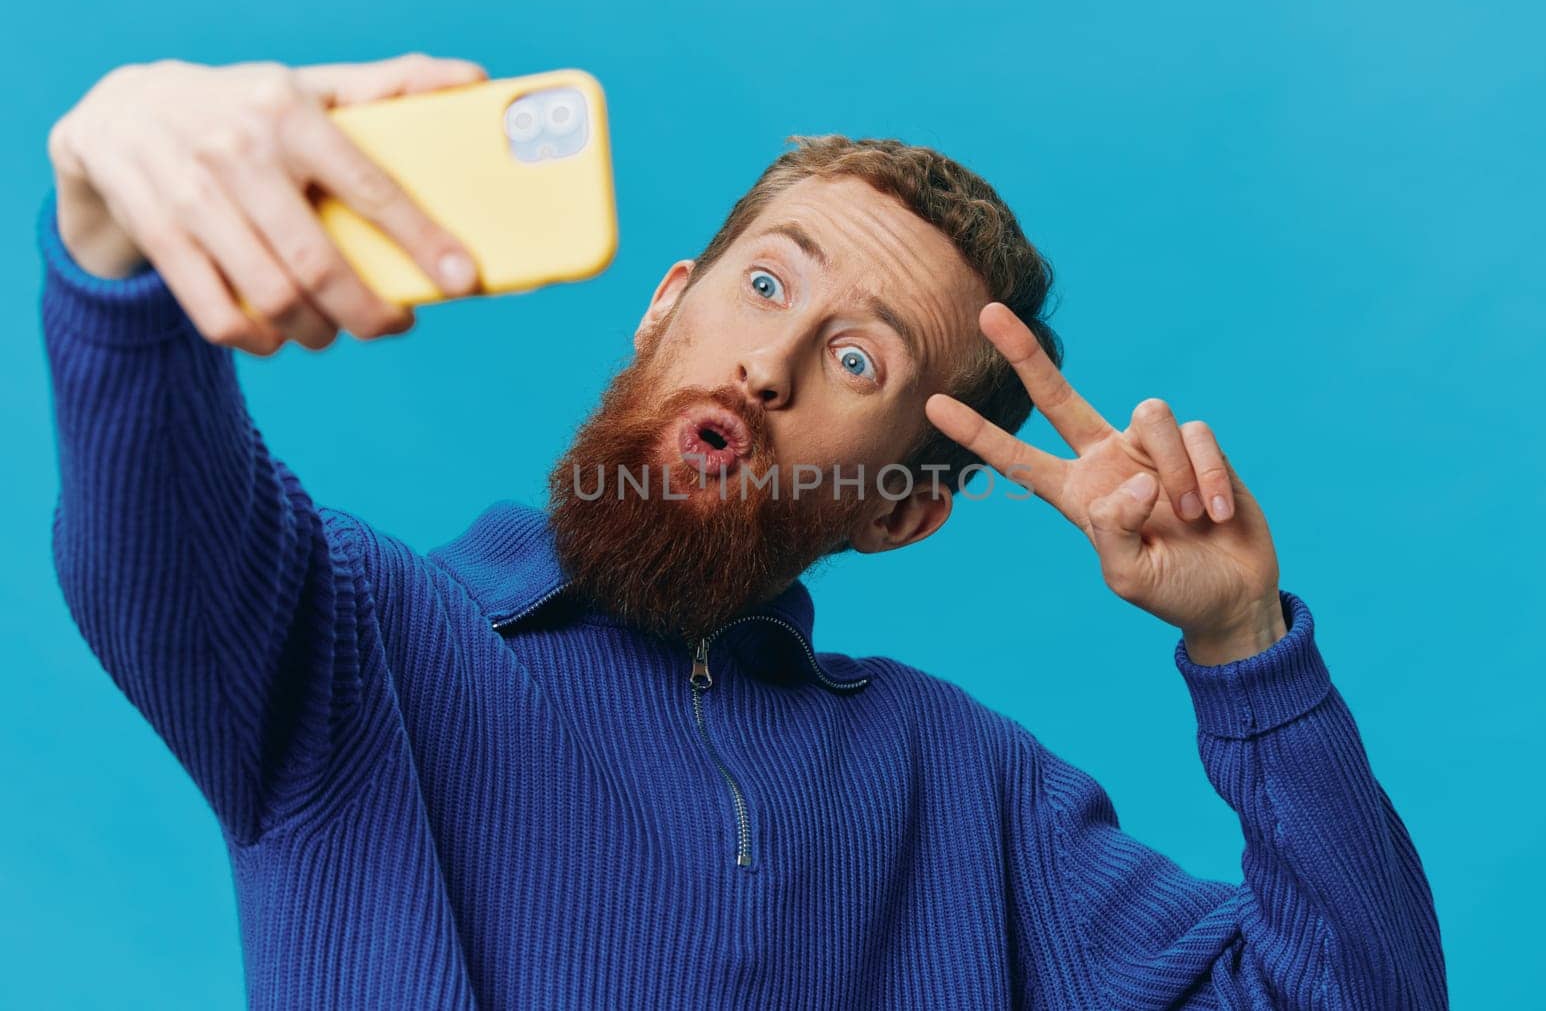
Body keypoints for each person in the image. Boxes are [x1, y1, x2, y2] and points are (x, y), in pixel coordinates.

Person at [40, 52, 1447, 1009]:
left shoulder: (977, 797)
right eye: (766, 282)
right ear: (664, 312)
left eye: (859, 363)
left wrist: (1245, 649)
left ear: (901, 511)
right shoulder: (346, 640)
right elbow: (149, 540)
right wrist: (116, 235)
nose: (769, 364)